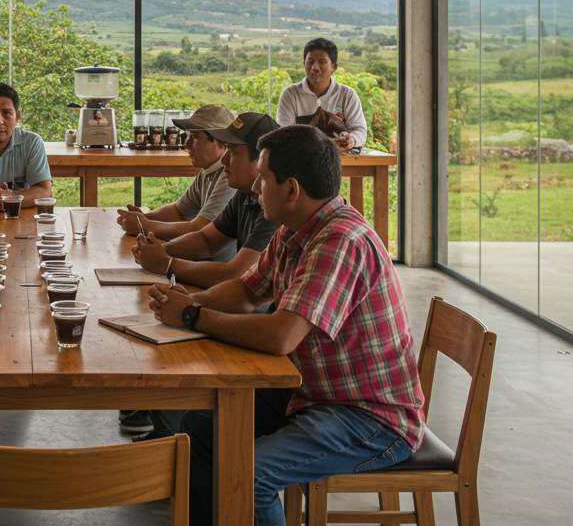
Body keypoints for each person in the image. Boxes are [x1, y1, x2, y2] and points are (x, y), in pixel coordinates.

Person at [148, 124, 424, 526]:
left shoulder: (340, 241)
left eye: (262, 178)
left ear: (291, 189)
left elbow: (280, 337)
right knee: (200, 427)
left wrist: (192, 316)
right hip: (313, 393)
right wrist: (184, 303)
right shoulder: (294, 230)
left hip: (368, 416)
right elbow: (246, 292)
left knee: (251, 474)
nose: (254, 187)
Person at [121, 111, 281, 438]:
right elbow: (207, 239)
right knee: (165, 315)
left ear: (262, 161)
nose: (225, 160)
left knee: (177, 333)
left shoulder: (277, 208)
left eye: (232, 152)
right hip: (241, 303)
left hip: (259, 323)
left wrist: (168, 266)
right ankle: (162, 422)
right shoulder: (248, 194)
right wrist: (160, 253)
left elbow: (238, 276)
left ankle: (167, 438)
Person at [115, 104, 238, 259]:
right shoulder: (209, 170)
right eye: (188, 136)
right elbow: (179, 211)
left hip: (215, 269)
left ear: (223, 143)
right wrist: (145, 217)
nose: (187, 144)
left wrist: (144, 225)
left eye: (195, 137)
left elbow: (200, 229)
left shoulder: (230, 176)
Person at [276, 37, 367, 152]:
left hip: (340, 160)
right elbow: (284, 135)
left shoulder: (347, 94)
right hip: (300, 160)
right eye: (310, 62)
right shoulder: (290, 94)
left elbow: (360, 130)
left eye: (322, 62)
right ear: (304, 64)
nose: (315, 68)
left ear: (333, 67)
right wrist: (327, 144)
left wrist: (351, 140)